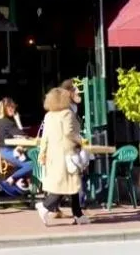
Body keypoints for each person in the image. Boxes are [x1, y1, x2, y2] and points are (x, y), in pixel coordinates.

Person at [36, 86, 87, 226]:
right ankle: (45, 206)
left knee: (71, 184)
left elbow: (44, 137)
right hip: (66, 154)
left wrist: (42, 153)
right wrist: (82, 141)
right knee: (66, 185)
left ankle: (78, 214)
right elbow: (69, 133)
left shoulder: (49, 115)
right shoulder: (67, 114)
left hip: (54, 155)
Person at [0, 97, 34, 197]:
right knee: (32, 164)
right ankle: (11, 179)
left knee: (32, 160)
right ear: (4, 109)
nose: (13, 109)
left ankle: (23, 185)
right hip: (6, 150)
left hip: (8, 149)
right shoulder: (6, 122)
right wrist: (18, 119)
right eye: (10, 108)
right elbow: (22, 134)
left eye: (13, 107)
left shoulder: (1, 120)